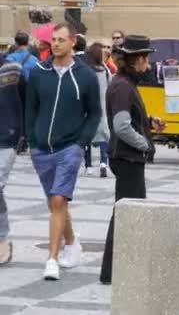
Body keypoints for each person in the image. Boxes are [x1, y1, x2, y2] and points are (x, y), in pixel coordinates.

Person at [26, 23, 101, 280]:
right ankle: (72, 242)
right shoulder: (38, 74)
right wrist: (32, 139)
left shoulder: (86, 76)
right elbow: (31, 108)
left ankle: (52, 260)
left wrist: (81, 142)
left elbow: (95, 113)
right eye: (53, 40)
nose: (56, 44)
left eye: (61, 40)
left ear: (72, 43)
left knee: (59, 200)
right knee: (53, 202)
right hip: (41, 149)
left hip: (70, 147)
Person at [100, 35, 165, 285]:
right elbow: (122, 126)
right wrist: (145, 144)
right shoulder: (123, 86)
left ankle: (113, 271)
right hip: (127, 157)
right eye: (146, 59)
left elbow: (128, 120)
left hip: (126, 157)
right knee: (129, 214)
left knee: (126, 213)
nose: (148, 65)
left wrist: (149, 122)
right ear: (137, 59)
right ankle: (114, 271)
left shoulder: (124, 83)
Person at [0, 61, 26, 265]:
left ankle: (2, 240)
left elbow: (28, 99)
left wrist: (23, 131)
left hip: (6, 138)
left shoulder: (13, 70)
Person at [83, 43, 112, 178]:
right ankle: (103, 163)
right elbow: (110, 86)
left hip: (88, 107)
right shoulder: (105, 70)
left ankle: (88, 166)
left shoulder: (85, 70)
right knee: (103, 136)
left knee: (87, 136)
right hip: (103, 106)